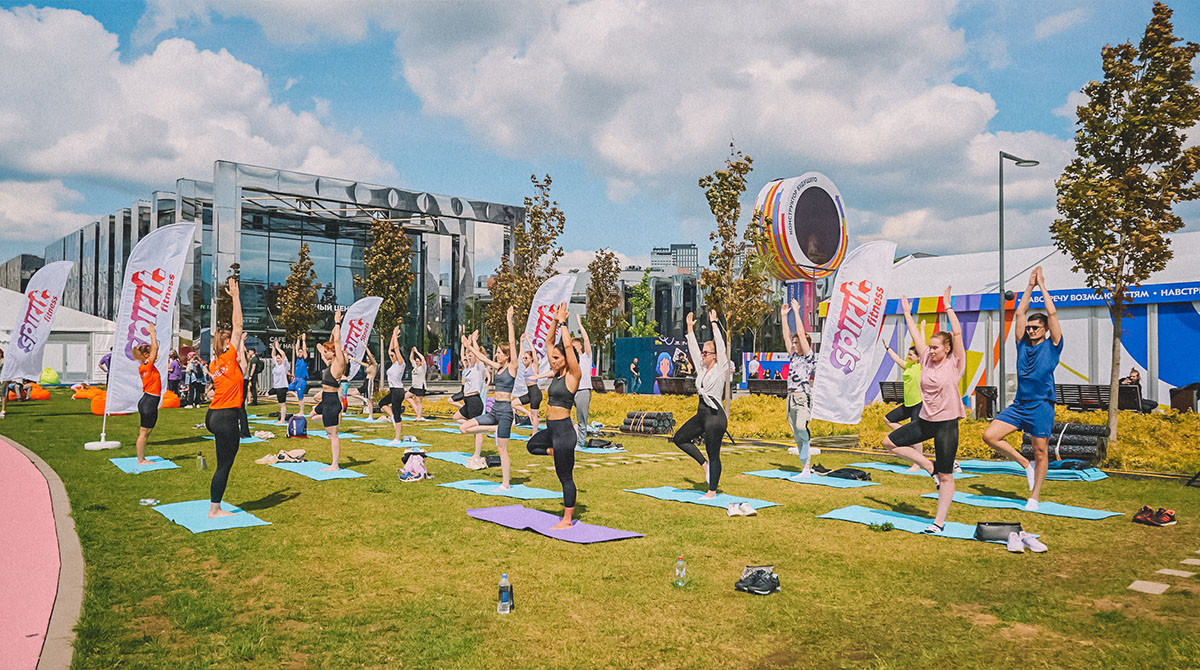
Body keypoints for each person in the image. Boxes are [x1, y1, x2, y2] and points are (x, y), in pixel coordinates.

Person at [882, 287, 966, 534]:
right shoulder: (926, 359)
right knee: (889, 443)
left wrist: (948, 306)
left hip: (947, 424)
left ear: (947, 349)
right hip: (926, 420)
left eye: (936, 348)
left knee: (947, 475)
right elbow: (915, 336)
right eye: (929, 347)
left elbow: (957, 333)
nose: (930, 350)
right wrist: (907, 313)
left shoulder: (956, 363)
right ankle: (930, 468)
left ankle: (938, 522)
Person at [982, 266, 1062, 511]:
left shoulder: (1053, 345)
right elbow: (1019, 313)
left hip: (1041, 405)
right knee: (989, 436)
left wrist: (1043, 286)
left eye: (1035, 327)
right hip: (1020, 405)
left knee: (1041, 451)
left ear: (1045, 330)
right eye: (1029, 327)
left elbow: (1053, 313)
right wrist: (1029, 285)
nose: (1030, 330)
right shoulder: (1022, 345)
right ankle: (1023, 464)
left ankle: (1034, 497)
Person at [526, 302, 582, 529]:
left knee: (565, 477)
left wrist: (563, 323)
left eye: (557, 359)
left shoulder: (573, 375)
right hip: (552, 432)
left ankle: (567, 520)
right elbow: (549, 342)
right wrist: (553, 321)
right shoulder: (557, 375)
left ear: (566, 360)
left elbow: (567, 349)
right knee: (531, 446)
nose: (553, 360)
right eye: (552, 358)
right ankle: (554, 452)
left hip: (565, 433)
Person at [672, 310, 730, 500]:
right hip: (701, 414)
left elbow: (720, 346)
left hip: (715, 416)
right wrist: (689, 328)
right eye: (703, 351)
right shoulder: (702, 368)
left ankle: (712, 491)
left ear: (714, 355)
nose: (703, 354)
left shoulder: (721, 368)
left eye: (706, 352)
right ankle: (704, 465)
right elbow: (693, 350)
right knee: (680, 438)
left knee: (714, 453)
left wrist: (714, 323)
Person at [460, 306, 520, 489]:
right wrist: (469, 346)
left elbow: (511, 341)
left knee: (502, 449)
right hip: (494, 412)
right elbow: (482, 358)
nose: (496, 355)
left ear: (507, 355)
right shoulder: (498, 367)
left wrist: (509, 321)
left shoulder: (512, 367)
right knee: (464, 427)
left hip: (505, 412)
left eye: (499, 353)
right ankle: (492, 428)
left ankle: (506, 483)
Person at [206, 277, 247, 519]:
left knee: (226, 459)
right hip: (225, 416)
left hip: (214, 414)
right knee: (224, 465)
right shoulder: (228, 358)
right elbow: (238, 324)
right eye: (230, 337)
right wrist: (236, 298)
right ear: (226, 343)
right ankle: (215, 509)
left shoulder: (215, 362)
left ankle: (216, 504)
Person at [781, 299, 817, 476]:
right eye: (794, 344)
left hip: (803, 396)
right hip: (791, 398)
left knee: (802, 428)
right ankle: (805, 467)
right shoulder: (793, 357)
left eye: (797, 343)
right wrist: (783, 316)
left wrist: (796, 312)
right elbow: (786, 336)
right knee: (796, 434)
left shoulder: (809, 358)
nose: (794, 345)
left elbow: (801, 335)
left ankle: (807, 465)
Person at [314, 312, 349, 470]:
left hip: (332, 401)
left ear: (334, 352)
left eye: (327, 352)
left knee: (333, 435)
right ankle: (331, 420)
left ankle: (335, 464)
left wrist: (337, 323)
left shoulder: (338, 363)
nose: (324, 354)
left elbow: (337, 341)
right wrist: (322, 348)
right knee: (313, 416)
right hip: (326, 400)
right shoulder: (330, 364)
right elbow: (330, 345)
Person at [883, 343, 924, 472]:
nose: (908, 356)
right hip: (908, 403)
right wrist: (888, 348)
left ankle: (917, 464)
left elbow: (922, 349)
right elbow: (896, 359)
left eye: (911, 354)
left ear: (918, 357)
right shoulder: (909, 366)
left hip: (918, 402)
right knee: (888, 419)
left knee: (916, 434)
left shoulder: (922, 367)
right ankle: (906, 435)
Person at [131, 323, 163, 465]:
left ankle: (142, 457)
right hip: (149, 401)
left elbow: (155, 352)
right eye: (150, 354)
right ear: (146, 355)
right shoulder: (146, 365)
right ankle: (140, 460)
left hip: (150, 401)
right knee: (143, 434)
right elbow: (155, 348)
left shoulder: (147, 366)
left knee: (148, 432)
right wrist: (152, 333)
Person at [453, 331, 488, 458]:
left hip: (474, 401)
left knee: (477, 431)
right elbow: (464, 356)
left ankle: (477, 454)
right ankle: (474, 424)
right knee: (456, 417)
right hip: (467, 401)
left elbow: (477, 354)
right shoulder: (470, 369)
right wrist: (465, 344)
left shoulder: (480, 367)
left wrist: (473, 341)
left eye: (471, 356)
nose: (469, 357)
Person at [383, 326, 407, 443]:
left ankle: (397, 438)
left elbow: (396, 348)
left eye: (394, 355)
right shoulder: (393, 364)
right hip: (393, 390)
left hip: (398, 391)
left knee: (397, 414)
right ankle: (392, 416)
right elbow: (390, 350)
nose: (391, 356)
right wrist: (393, 337)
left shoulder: (401, 364)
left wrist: (394, 333)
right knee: (382, 403)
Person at [514, 336, 542, 433]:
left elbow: (534, 353)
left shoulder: (534, 366)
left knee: (535, 415)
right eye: (524, 358)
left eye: (526, 358)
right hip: (529, 392)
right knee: (513, 404)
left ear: (531, 359)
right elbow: (522, 355)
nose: (524, 359)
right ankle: (527, 413)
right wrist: (521, 342)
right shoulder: (525, 366)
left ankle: (534, 434)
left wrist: (529, 341)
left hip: (535, 392)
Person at [573, 316, 593, 449]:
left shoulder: (585, 357)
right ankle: (572, 438)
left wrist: (580, 324)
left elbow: (586, 339)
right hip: (572, 390)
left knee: (581, 418)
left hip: (583, 390)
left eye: (575, 347)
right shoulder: (572, 361)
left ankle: (580, 442)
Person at [269, 339, 292, 424]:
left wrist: (278, 347)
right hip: (277, 386)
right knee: (279, 403)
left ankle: (282, 420)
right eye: (277, 359)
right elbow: (273, 355)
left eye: (279, 359)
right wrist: (273, 347)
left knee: (282, 404)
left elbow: (283, 354)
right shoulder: (276, 365)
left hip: (282, 386)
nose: (278, 360)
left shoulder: (284, 365)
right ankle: (282, 418)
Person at [405, 346, 429, 420]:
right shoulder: (415, 366)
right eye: (416, 361)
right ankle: (417, 411)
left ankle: (419, 416)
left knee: (419, 401)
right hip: (414, 386)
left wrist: (417, 351)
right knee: (406, 396)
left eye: (418, 361)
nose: (417, 362)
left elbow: (423, 359)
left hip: (420, 386)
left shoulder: (423, 367)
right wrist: (412, 351)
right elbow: (411, 359)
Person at [290, 334, 309, 416]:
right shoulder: (298, 358)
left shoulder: (305, 360)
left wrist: (304, 341)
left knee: (300, 397)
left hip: (301, 380)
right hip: (296, 379)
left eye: (301, 352)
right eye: (299, 352)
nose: (300, 353)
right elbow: (296, 349)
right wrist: (298, 340)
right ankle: (296, 393)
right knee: (288, 389)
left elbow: (304, 350)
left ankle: (301, 411)